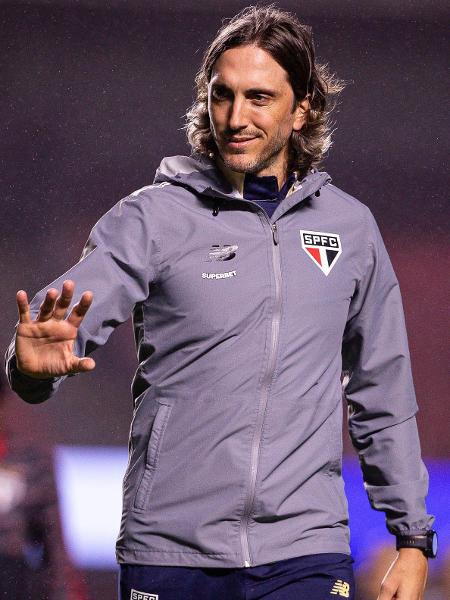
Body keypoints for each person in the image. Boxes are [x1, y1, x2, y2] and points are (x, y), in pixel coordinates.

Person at [5, 5, 436, 600]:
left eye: (259, 97)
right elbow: (63, 331)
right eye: (222, 95)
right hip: (170, 551)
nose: (236, 117)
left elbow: (382, 389)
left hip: (304, 553)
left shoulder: (351, 229)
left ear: (303, 105)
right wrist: (29, 369)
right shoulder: (151, 217)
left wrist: (412, 539)